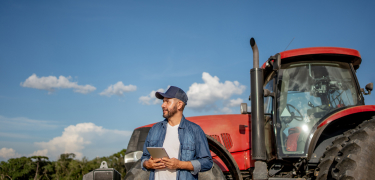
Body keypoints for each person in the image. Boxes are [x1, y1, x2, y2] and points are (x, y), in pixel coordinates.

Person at [140, 86, 213, 180]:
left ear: (179, 105)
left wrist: (180, 164)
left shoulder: (195, 130)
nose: (163, 105)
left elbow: (207, 162)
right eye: (163, 101)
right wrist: (147, 164)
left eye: (167, 101)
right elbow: (144, 158)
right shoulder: (155, 129)